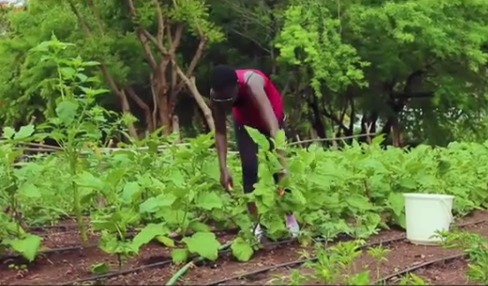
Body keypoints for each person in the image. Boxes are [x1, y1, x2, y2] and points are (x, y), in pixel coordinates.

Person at [209, 65, 300, 240]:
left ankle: (291, 219)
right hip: (245, 121)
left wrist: (282, 163)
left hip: (271, 118)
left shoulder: (253, 83)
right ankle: (256, 224)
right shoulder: (217, 96)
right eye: (221, 101)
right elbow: (220, 132)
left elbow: (273, 128)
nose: (226, 104)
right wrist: (223, 168)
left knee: (277, 171)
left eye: (229, 98)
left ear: (237, 87)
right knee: (249, 169)